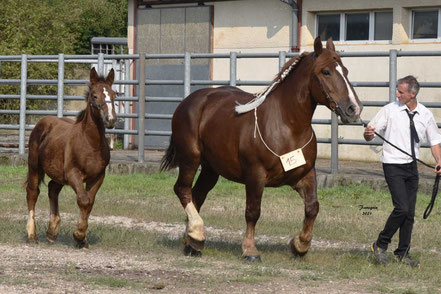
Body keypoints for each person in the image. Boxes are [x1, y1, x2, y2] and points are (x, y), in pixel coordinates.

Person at [364, 75, 441, 267]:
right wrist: (368, 134)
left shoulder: (425, 114)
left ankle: (403, 252)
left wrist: (439, 161)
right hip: (392, 164)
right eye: (397, 91)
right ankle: (380, 244)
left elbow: (435, 141)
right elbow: (370, 132)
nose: (397, 94)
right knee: (402, 208)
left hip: (411, 166)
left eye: (401, 92)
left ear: (412, 94)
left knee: (409, 213)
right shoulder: (390, 110)